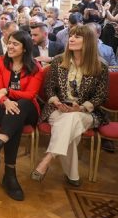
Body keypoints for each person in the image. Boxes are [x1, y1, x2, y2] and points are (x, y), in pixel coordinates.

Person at [32, 25, 109, 186]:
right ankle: (72, 176)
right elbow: (49, 87)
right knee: (70, 129)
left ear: (88, 41)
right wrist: (56, 102)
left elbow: (101, 96)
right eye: (71, 36)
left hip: (85, 112)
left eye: (77, 37)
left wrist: (81, 108)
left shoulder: (100, 66)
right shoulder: (59, 60)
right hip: (57, 108)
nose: (71, 39)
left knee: (71, 119)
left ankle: (47, 159)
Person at [0, 30, 44, 201]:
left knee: (21, 107)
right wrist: (5, 101)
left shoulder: (35, 67)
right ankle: (10, 175)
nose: (10, 46)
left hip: (27, 108)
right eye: (9, 42)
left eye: (15, 43)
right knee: (14, 122)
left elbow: (30, 95)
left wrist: (8, 92)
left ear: (25, 48)